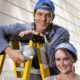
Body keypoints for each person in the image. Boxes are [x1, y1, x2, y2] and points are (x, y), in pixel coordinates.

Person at [0, 0, 69, 80]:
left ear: (52, 17)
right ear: (34, 15)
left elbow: (53, 62)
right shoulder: (25, 28)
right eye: (40, 14)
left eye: (47, 15)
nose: (43, 19)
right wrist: (9, 51)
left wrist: (40, 36)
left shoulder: (61, 33)